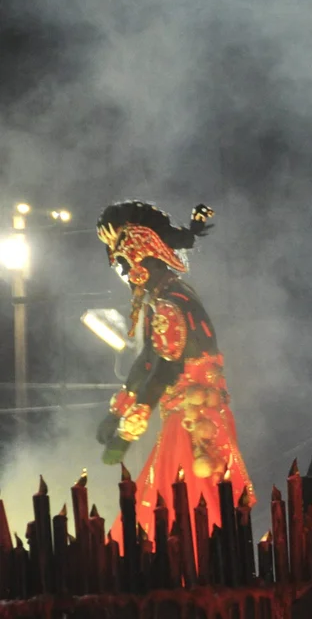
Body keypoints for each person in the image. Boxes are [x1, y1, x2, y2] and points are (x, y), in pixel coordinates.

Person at [94, 201, 253, 540]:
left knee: (185, 503)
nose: (121, 273)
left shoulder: (171, 303)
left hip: (194, 425)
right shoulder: (166, 298)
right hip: (186, 418)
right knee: (179, 502)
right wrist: (116, 412)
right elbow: (147, 362)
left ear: (141, 254)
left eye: (120, 262)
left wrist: (127, 432)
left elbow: (165, 369)